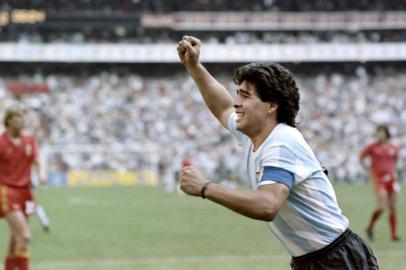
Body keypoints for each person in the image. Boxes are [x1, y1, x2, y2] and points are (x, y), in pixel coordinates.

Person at [177, 35, 379, 269]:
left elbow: (267, 205)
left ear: (271, 105)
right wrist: (194, 67)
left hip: (335, 260)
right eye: (238, 93)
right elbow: (222, 106)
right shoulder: (255, 134)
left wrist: (205, 187)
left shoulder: (281, 142)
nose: (236, 102)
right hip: (314, 259)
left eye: (246, 96)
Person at [0, 106, 46, 270]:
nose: (21, 121)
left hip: (26, 192)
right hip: (7, 191)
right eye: (17, 118)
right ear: (9, 121)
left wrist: (41, 174)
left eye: (23, 118)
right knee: (25, 235)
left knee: (15, 236)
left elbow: (37, 159)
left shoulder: (29, 140)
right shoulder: (1, 142)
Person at [360, 124, 400, 241]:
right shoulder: (372, 146)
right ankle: (370, 226)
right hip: (379, 179)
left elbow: (394, 160)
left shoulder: (393, 147)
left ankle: (394, 235)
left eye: (381, 132)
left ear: (386, 133)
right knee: (382, 207)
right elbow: (361, 157)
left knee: (392, 207)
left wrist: (395, 172)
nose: (379, 135)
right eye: (378, 132)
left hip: (391, 179)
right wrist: (368, 170)